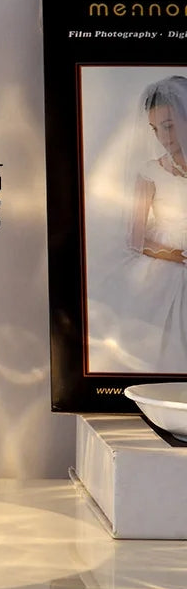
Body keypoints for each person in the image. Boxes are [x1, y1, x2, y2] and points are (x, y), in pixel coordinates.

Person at [89, 75, 187, 374]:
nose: (163, 137)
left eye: (168, 126)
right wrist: (178, 256)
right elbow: (136, 238)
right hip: (167, 266)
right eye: (155, 129)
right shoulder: (150, 173)